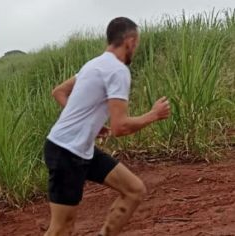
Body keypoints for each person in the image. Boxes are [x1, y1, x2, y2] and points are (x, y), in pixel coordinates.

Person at [43, 17, 171, 236]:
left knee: (134, 190)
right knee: (61, 229)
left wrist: (88, 121)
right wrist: (153, 115)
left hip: (81, 150)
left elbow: (59, 92)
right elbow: (120, 127)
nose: (135, 49)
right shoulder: (117, 71)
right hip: (65, 151)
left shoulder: (93, 64)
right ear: (129, 41)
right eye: (136, 44)